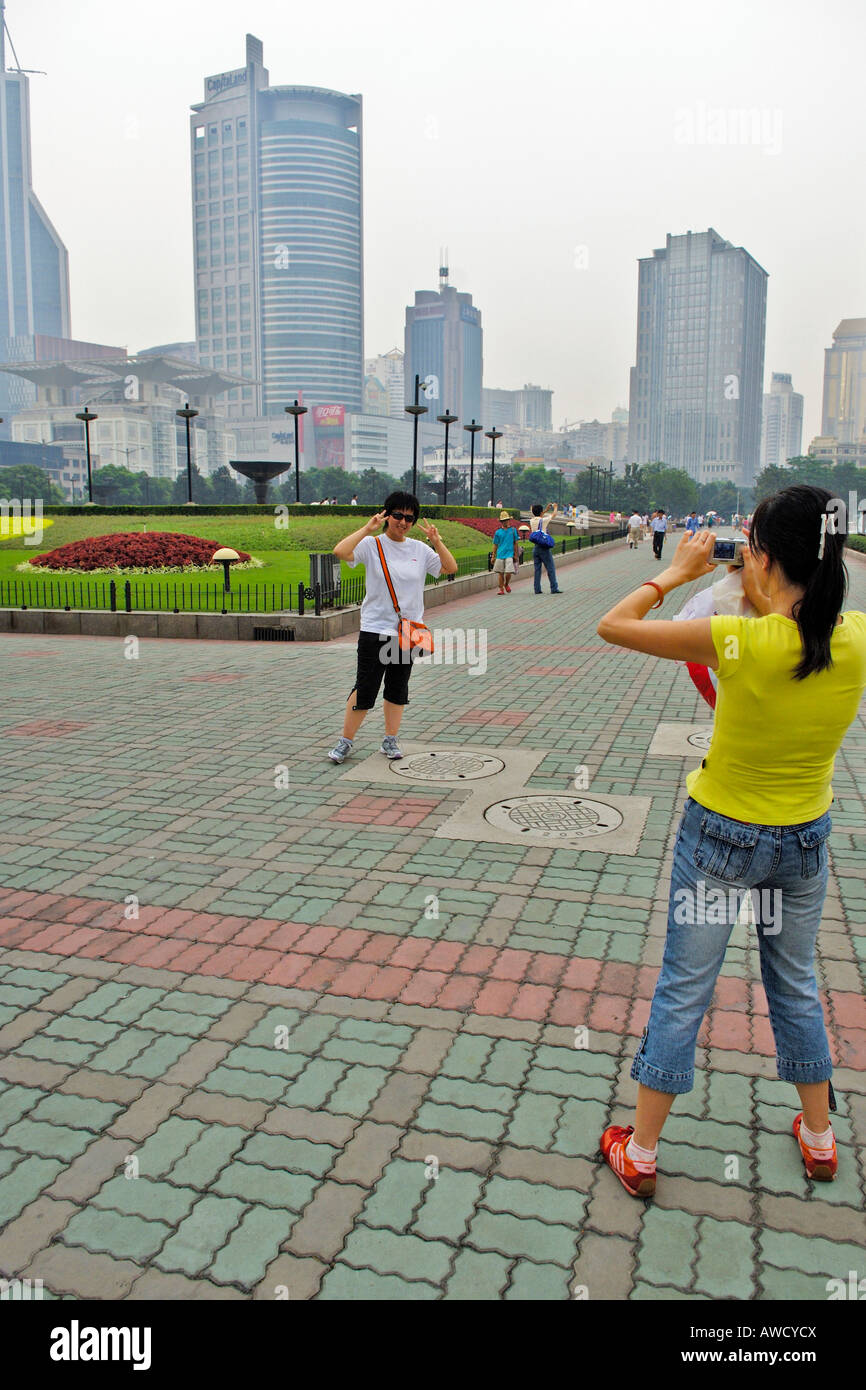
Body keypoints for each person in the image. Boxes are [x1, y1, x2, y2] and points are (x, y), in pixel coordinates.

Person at [595, 484, 866, 1198]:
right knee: (798, 985)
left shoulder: (741, 638)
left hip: (721, 838)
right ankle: (818, 1137)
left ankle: (643, 1151)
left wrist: (677, 574)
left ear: (765, 557)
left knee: (686, 986)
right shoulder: (857, 636)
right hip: (805, 841)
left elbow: (613, 625)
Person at [327, 492, 458, 764]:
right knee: (365, 688)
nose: (403, 522)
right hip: (375, 628)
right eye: (397, 515)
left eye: (409, 518)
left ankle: (390, 739)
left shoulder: (419, 550)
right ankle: (346, 741)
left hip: (406, 633)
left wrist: (436, 541)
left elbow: (450, 567)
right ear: (387, 515)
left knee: (398, 688)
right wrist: (367, 527)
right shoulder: (371, 544)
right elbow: (340, 551)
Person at [530, 502, 561, 594]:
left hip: (535, 548)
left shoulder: (532, 520)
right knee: (550, 568)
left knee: (537, 570)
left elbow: (538, 515)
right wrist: (555, 507)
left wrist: (546, 510)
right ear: (540, 512)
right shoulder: (543, 521)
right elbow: (554, 515)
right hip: (544, 548)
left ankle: (537, 589)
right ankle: (554, 588)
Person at [492, 510, 518, 594]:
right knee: (500, 572)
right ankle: (501, 589)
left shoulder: (513, 530)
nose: (504, 522)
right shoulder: (498, 532)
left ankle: (506, 584)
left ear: (508, 520)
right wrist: (493, 556)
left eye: (506, 520)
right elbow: (495, 544)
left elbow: (515, 543)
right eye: (503, 521)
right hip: (500, 554)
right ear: (501, 522)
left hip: (509, 554)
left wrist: (516, 555)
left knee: (508, 571)